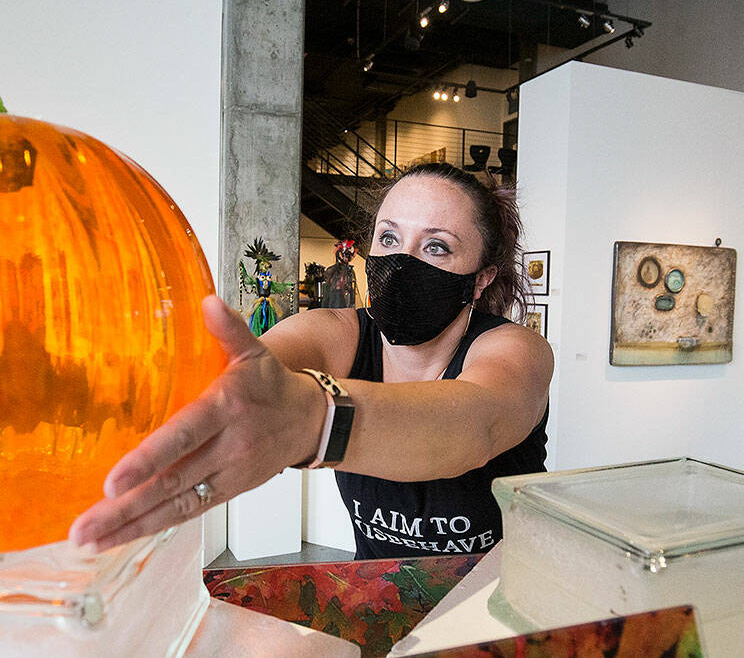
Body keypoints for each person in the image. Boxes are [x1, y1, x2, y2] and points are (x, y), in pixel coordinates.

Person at [69, 163, 554, 558]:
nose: (403, 261)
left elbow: (474, 428)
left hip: (508, 613)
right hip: (384, 610)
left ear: (482, 278)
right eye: (388, 238)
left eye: (436, 246)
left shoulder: (515, 351)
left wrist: (311, 421)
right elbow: (258, 374)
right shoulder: (337, 334)